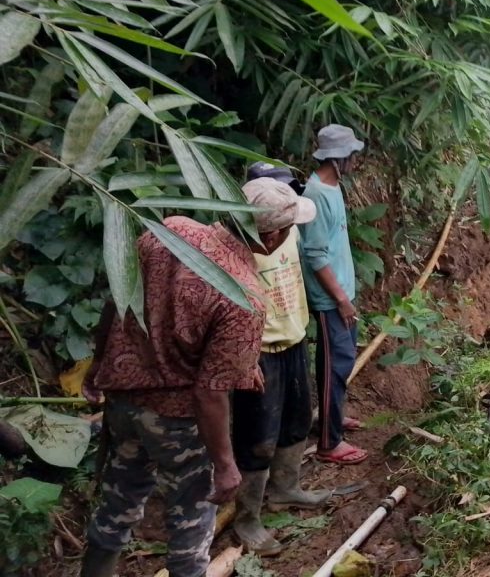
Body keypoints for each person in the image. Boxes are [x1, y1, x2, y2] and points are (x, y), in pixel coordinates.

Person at [79, 178, 316, 577]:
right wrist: (225, 465)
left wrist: (99, 365)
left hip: (123, 401)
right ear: (273, 236)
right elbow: (211, 393)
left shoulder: (171, 231)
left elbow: (116, 300)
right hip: (176, 422)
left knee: (118, 500)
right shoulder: (243, 297)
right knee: (191, 522)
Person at [231, 164, 331, 556]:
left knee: (297, 421)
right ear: (265, 232)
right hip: (259, 356)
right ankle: (247, 519)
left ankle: (286, 490)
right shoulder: (236, 252)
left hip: (292, 341)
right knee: (257, 438)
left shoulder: (283, 235)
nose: (290, 231)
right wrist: (244, 360)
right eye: (284, 227)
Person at [299, 124, 368, 465]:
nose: (356, 161)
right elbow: (315, 255)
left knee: (342, 363)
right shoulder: (314, 196)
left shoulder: (333, 187)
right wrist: (340, 299)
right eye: (352, 155)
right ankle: (329, 442)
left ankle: (333, 420)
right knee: (333, 366)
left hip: (341, 294)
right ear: (338, 159)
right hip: (331, 300)